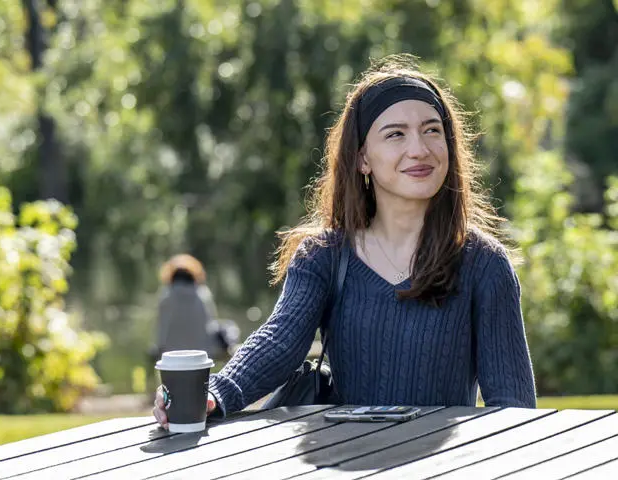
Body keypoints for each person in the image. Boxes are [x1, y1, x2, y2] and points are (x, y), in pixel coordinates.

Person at [154, 55, 536, 428]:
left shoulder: (484, 264)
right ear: (362, 158)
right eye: (396, 134)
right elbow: (279, 342)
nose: (419, 149)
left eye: (432, 130)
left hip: (442, 463)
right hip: (343, 459)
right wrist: (214, 391)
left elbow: (514, 410)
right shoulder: (323, 257)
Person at [152, 254, 238, 361]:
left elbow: (161, 335)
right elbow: (210, 324)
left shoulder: (164, 297)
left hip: (171, 355)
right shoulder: (203, 295)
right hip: (204, 353)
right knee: (229, 326)